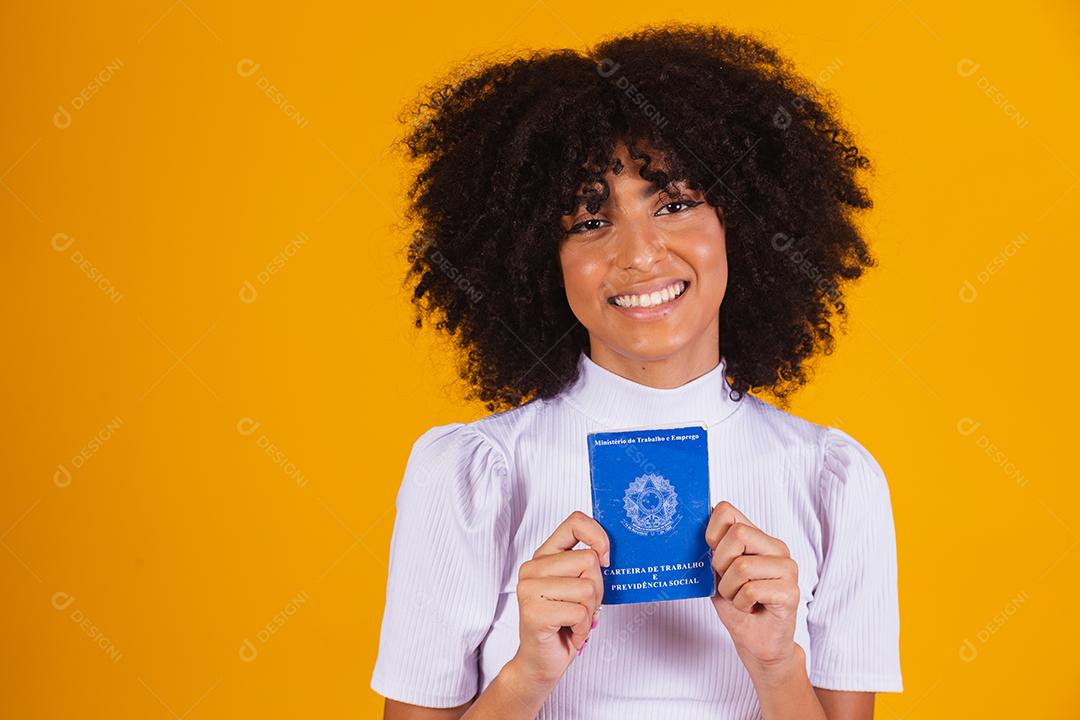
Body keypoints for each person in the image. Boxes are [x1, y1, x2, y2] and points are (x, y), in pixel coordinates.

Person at [371, 23, 902, 720]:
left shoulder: (834, 480)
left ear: (738, 222)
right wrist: (527, 674)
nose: (640, 254)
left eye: (675, 204)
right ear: (540, 256)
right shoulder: (471, 476)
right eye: (591, 220)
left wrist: (777, 668)